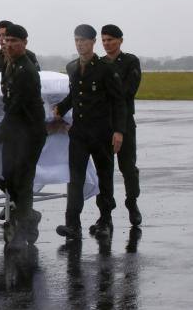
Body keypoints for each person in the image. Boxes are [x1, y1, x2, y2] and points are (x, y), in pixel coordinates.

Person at [54, 24, 126, 241]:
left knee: (104, 177)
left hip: (101, 132)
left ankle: (105, 220)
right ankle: (73, 224)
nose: (79, 44)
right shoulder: (73, 67)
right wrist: (60, 109)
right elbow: (74, 95)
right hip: (79, 133)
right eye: (76, 40)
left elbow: (118, 102)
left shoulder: (105, 68)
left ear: (93, 42)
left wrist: (119, 131)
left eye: (83, 41)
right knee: (74, 179)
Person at [0, 24, 47, 250]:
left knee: (23, 181)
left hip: (30, 132)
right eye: (6, 40)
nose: (8, 45)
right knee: (7, 175)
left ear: (25, 43)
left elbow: (17, 105)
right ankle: (30, 215)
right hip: (15, 131)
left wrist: (1, 130)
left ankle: (23, 228)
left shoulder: (26, 69)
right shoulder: (9, 66)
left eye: (13, 41)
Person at [100, 24, 142, 226]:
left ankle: (132, 202)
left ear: (120, 41)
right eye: (104, 40)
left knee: (128, 167)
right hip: (103, 122)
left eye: (111, 40)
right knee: (104, 169)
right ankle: (105, 212)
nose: (107, 43)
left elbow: (128, 91)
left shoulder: (130, 61)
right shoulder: (98, 63)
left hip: (124, 120)